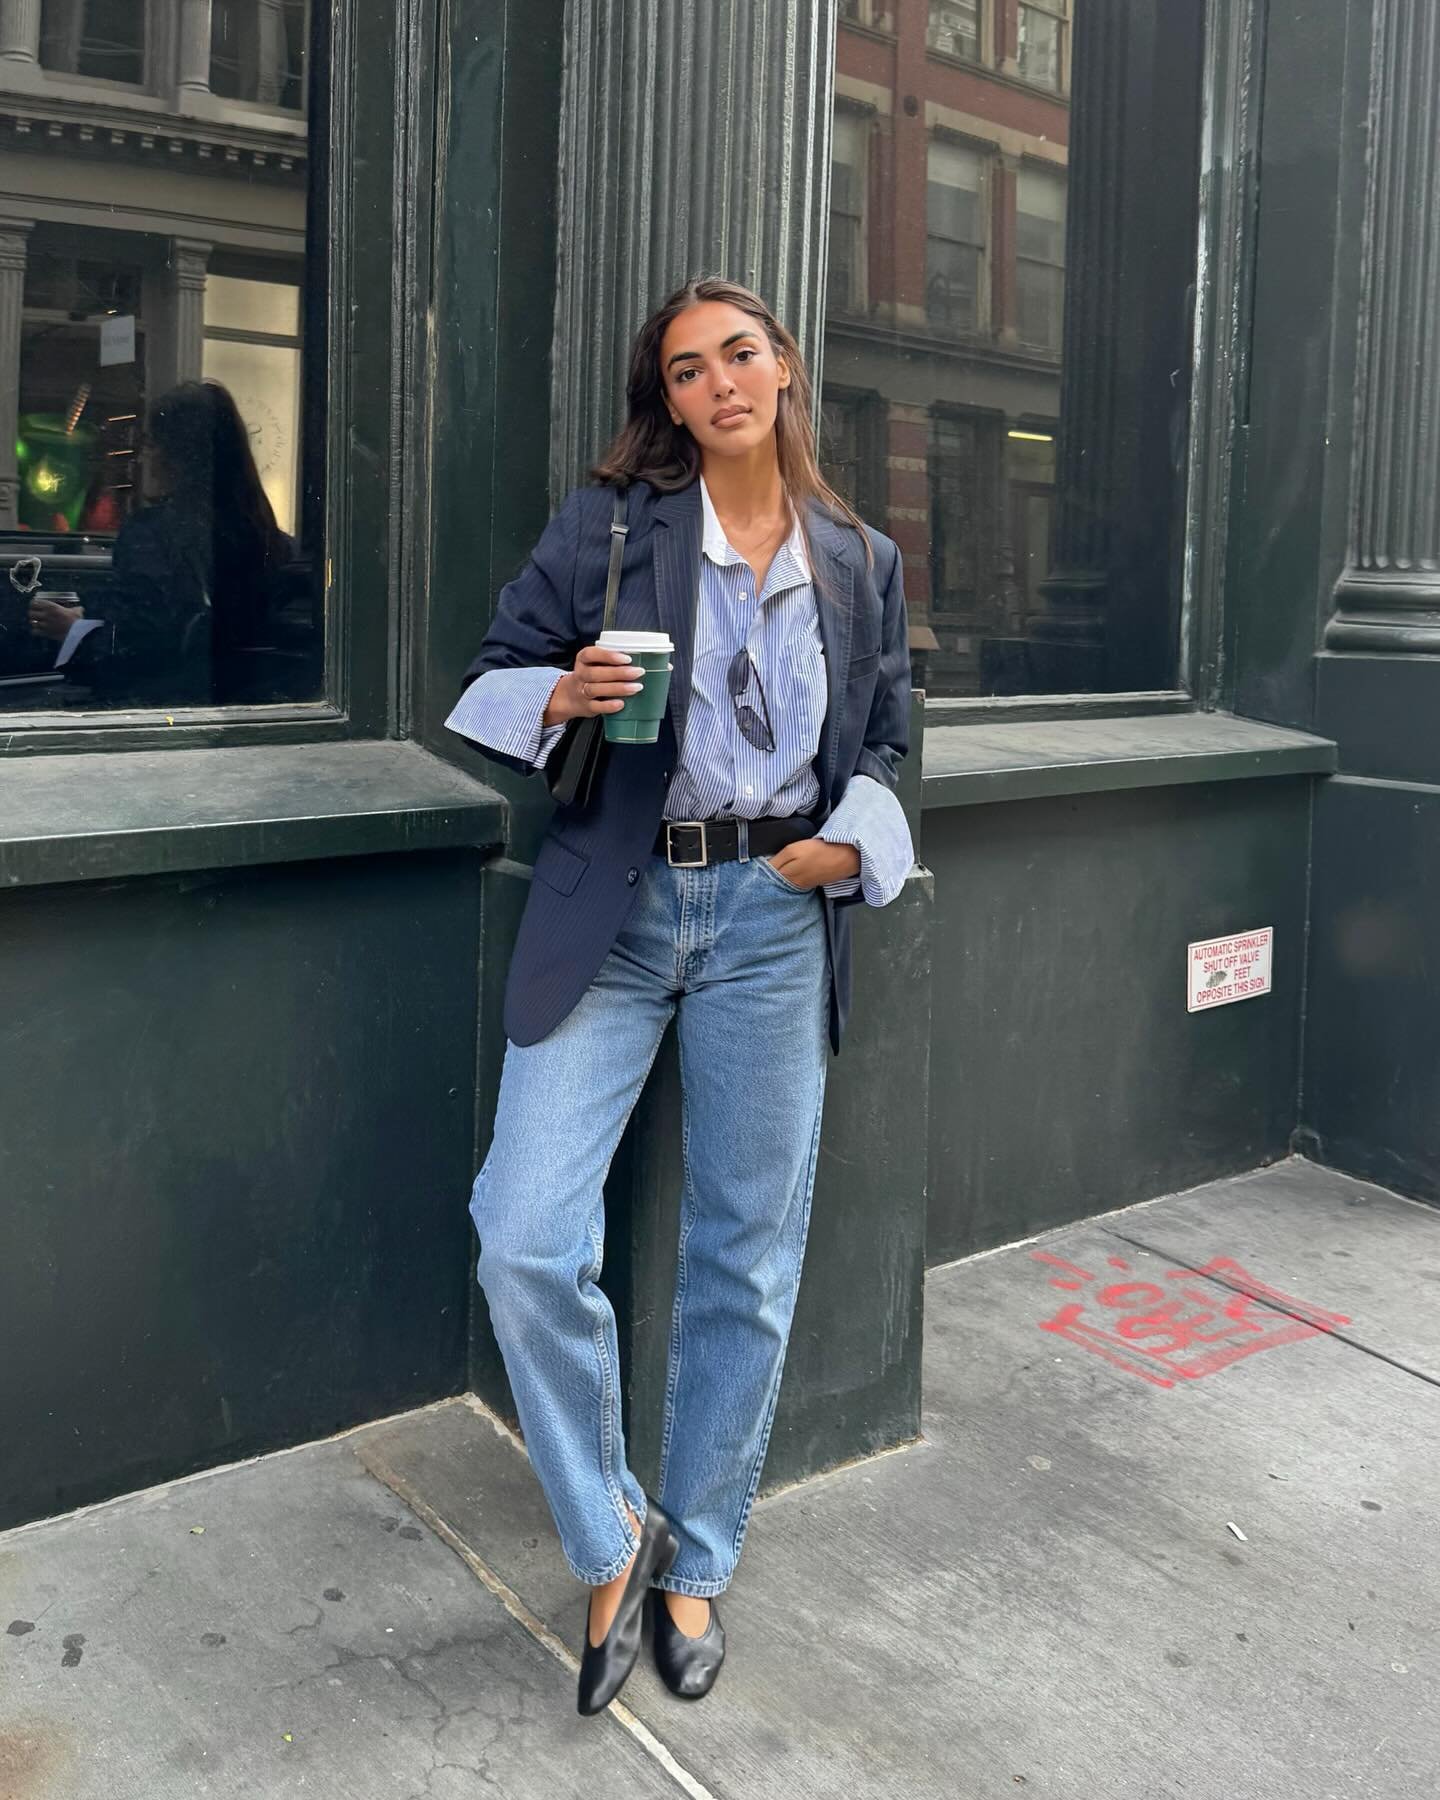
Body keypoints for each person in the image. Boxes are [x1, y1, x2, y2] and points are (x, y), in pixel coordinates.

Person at [446, 276, 914, 1716]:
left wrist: (851, 847)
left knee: (745, 1257)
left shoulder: (859, 555)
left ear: (783, 369)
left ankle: (699, 1556)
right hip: (623, 904)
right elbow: (486, 679)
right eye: (687, 369)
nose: (720, 383)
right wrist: (559, 699)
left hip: (776, 910)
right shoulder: (607, 533)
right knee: (522, 1233)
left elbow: (893, 734)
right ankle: (611, 1534)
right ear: (665, 399)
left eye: (741, 353)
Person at [28, 381, 297, 707]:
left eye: (151, 444)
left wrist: (74, 630)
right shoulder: (273, 542)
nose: (144, 456)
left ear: (179, 455)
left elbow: (139, 652)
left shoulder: (151, 534)